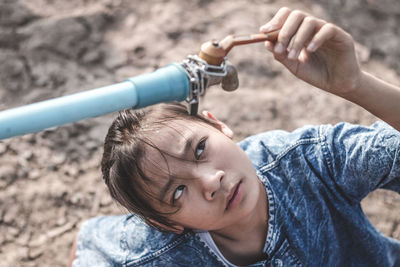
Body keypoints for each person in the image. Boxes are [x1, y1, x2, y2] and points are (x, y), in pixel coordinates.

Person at [69, 7, 400, 266]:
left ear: (217, 125)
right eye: (178, 192)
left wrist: (355, 83)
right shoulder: (150, 250)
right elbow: (89, 243)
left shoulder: (311, 162)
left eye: (199, 149)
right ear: (166, 225)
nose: (211, 181)